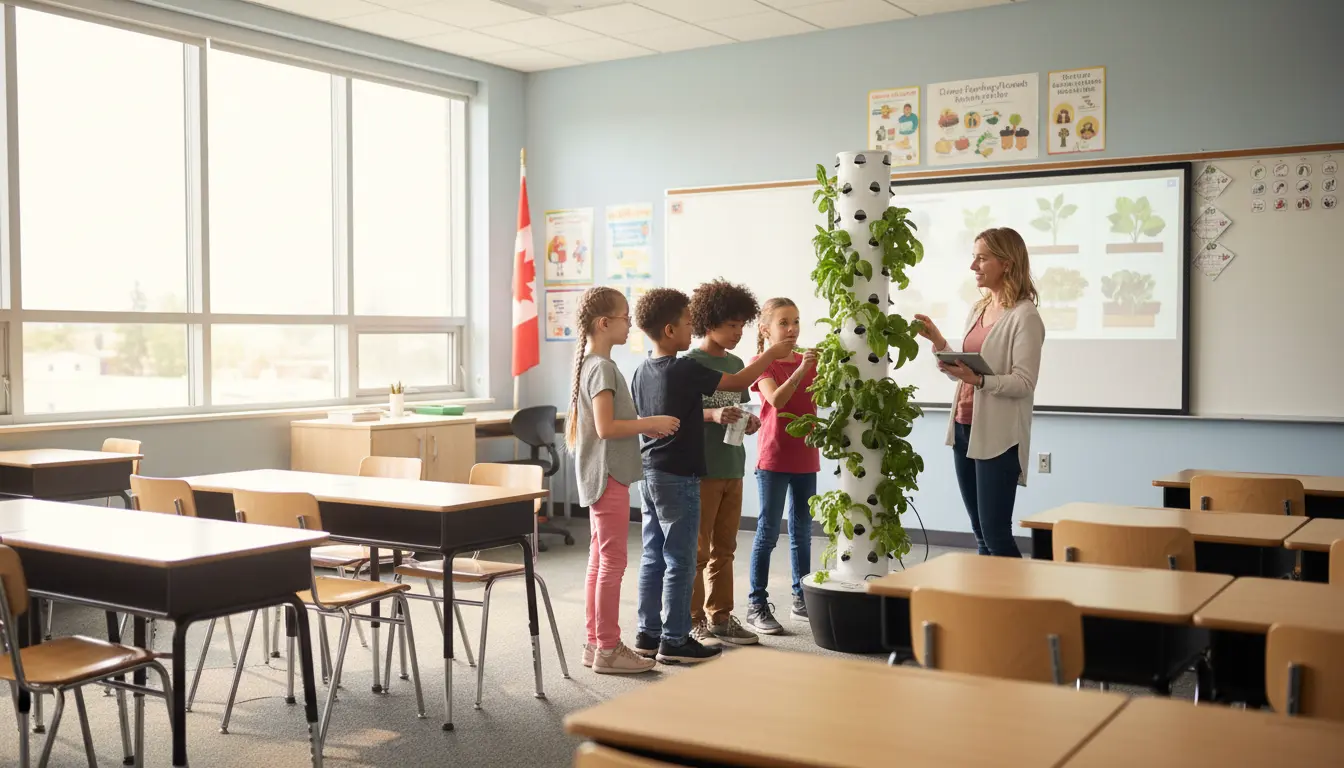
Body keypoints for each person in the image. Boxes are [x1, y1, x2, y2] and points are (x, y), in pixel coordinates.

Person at [630, 288, 792, 664]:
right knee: (684, 559)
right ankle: (675, 638)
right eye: (687, 323)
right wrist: (769, 354)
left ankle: (647, 634)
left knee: (655, 556)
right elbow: (737, 383)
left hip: (651, 472)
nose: (691, 328)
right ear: (670, 330)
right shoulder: (685, 367)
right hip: (681, 475)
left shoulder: (642, 370)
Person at [565, 286, 677, 674]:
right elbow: (607, 427)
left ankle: (596, 643)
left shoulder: (593, 365)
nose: (630, 323)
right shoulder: (603, 368)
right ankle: (609, 649)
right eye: (625, 316)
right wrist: (653, 424)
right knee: (612, 563)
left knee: (599, 562)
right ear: (604, 322)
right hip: (607, 475)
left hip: (601, 475)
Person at [915, 227, 1045, 558]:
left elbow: (1024, 383)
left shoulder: (1025, 317)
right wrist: (939, 343)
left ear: (1006, 262)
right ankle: (988, 606)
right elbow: (969, 369)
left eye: (982, 258)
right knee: (979, 532)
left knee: (995, 533)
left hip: (998, 437)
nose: (973, 266)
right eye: (973, 257)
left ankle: (1017, 608)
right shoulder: (978, 308)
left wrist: (980, 381)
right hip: (963, 427)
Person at [686, 280, 763, 647]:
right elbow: (680, 415)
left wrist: (750, 423)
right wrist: (712, 414)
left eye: (741, 326)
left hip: (733, 465)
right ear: (709, 321)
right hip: (703, 469)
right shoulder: (689, 363)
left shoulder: (736, 364)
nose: (737, 333)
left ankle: (721, 616)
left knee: (725, 549)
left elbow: (743, 409)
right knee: (697, 551)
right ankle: (693, 619)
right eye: (731, 325)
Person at [745, 298, 819, 634]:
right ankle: (756, 604)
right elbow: (776, 400)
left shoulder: (809, 360)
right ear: (766, 329)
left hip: (806, 456)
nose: (792, 329)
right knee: (768, 532)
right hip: (774, 457)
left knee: (802, 532)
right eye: (784, 323)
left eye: (796, 321)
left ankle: (800, 597)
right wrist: (803, 369)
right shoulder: (762, 363)